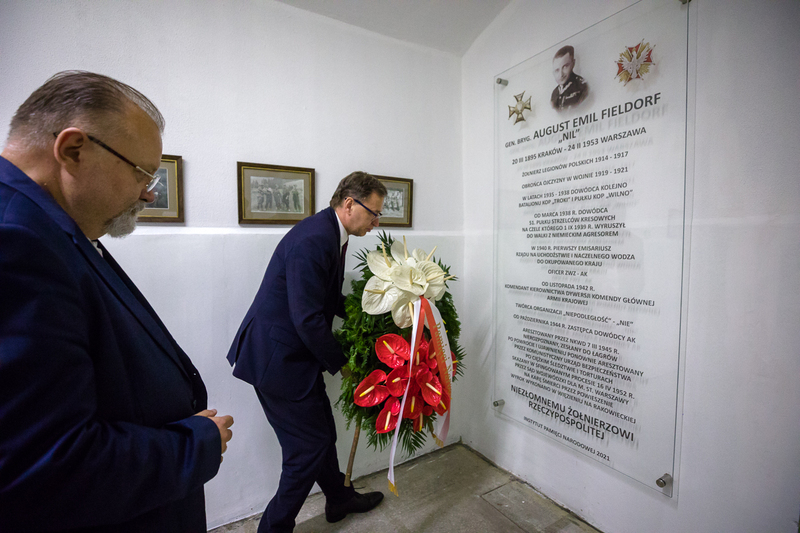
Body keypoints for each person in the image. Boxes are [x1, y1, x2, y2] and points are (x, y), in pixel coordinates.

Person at [0, 71, 234, 532]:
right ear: (72, 150)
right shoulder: (15, 240)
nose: (149, 192)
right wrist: (196, 442)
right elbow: (41, 464)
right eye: (143, 172)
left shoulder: (48, 225)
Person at [227, 171, 387, 532]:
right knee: (307, 451)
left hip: (292, 357)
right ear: (349, 204)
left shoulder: (332, 234)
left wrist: (376, 317)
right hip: (277, 361)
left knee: (321, 434)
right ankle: (273, 527)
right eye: (373, 213)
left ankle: (339, 498)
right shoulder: (315, 238)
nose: (376, 223)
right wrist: (344, 365)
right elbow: (308, 318)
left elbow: (327, 300)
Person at [551, 45, 589, 111]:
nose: (561, 74)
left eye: (565, 67)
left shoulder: (582, 86)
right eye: (557, 70)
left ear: (573, 64)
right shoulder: (554, 93)